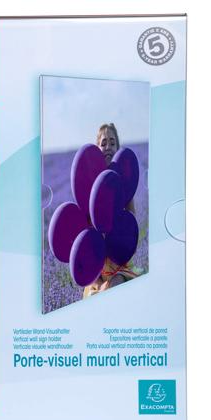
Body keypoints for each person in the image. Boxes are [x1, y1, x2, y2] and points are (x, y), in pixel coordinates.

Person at [83, 123, 138, 298]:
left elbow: (131, 225)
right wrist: (97, 281)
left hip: (119, 265)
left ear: (117, 149)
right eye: (103, 143)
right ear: (97, 149)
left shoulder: (124, 184)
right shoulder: (90, 185)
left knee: (115, 286)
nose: (108, 147)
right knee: (95, 294)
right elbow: (85, 231)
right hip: (96, 266)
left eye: (112, 143)